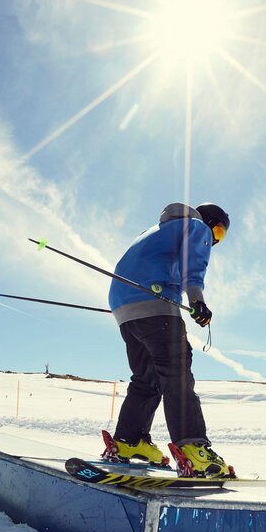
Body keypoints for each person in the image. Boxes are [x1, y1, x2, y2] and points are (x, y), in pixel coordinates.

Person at [103, 202, 233, 478]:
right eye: (218, 232)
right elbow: (193, 265)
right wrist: (197, 301)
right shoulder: (196, 226)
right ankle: (193, 449)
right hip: (155, 306)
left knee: (146, 378)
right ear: (210, 222)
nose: (214, 240)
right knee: (177, 375)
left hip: (124, 309)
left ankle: (129, 441)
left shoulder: (157, 229)